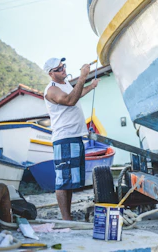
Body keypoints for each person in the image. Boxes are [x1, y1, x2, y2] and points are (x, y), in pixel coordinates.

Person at [43, 57, 98, 220]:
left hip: (74, 136)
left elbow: (77, 93)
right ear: (51, 73)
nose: (63, 70)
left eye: (63, 66)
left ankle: (68, 217)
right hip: (64, 138)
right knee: (62, 181)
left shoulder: (65, 84)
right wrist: (82, 77)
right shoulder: (51, 90)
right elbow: (70, 100)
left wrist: (90, 86)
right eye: (59, 69)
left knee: (70, 181)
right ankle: (66, 219)